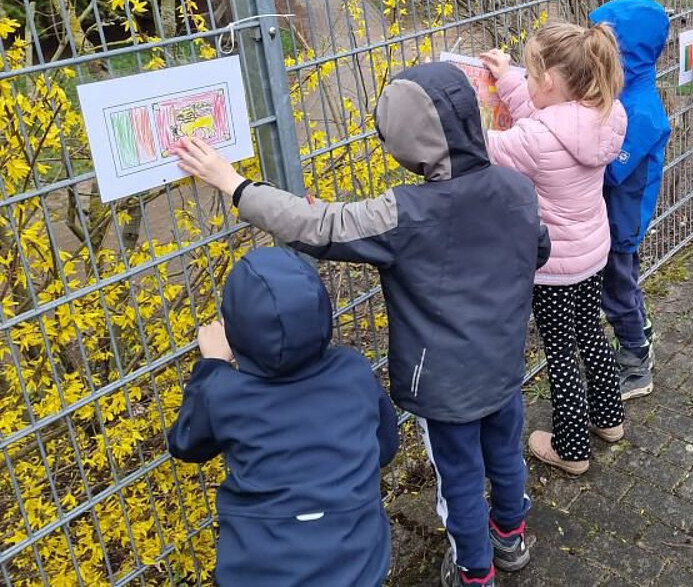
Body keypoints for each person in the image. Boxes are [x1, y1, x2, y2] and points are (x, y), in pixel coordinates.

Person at [174, 62, 551, 587]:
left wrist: (232, 183)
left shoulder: (404, 211)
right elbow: (539, 248)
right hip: (504, 364)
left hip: (445, 386)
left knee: (459, 477)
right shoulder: (516, 188)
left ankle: (474, 570)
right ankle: (510, 536)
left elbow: (322, 227)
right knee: (506, 453)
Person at [167, 247, 398, 587]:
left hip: (259, 571)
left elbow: (185, 443)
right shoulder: (352, 371)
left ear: (236, 331)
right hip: (358, 560)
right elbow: (385, 447)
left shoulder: (224, 393)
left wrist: (211, 366)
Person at [481, 22, 628, 477]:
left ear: (548, 83)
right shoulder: (606, 114)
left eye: (527, 75)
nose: (524, 82)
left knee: (560, 350)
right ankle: (610, 420)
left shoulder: (536, 139)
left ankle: (571, 448)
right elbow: (545, 117)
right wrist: (507, 78)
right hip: (591, 252)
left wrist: (459, 106)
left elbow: (482, 146)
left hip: (552, 265)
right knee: (591, 332)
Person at [588, 0, 670, 401]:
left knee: (616, 288)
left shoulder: (643, 113)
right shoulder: (624, 97)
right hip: (614, 216)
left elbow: (609, 169)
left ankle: (636, 361)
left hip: (621, 221)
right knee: (623, 284)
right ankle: (640, 330)